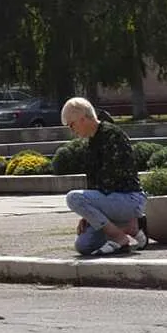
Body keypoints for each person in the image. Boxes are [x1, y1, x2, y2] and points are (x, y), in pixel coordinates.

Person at [62, 97, 146, 257]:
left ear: (83, 118)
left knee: (73, 198)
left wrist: (88, 205)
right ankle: (130, 229)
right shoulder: (92, 143)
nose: (72, 130)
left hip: (128, 199)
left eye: (72, 125)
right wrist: (88, 214)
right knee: (84, 245)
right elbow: (95, 184)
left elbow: (112, 179)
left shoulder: (112, 135)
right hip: (111, 200)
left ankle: (119, 237)